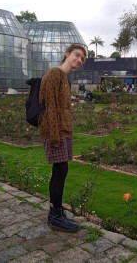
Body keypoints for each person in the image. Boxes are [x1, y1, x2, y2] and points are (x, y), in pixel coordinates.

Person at [38, 44, 86, 233]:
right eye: (76, 55)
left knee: (61, 171)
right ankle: (55, 215)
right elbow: (49, 106)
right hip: (54, 131)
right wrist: (55, 137)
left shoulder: (64, 78)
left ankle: (56, 210)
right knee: (60, 170)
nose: (79, 60)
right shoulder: (54, 74)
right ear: (67, 54)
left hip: (63, 130)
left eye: (82, 58)